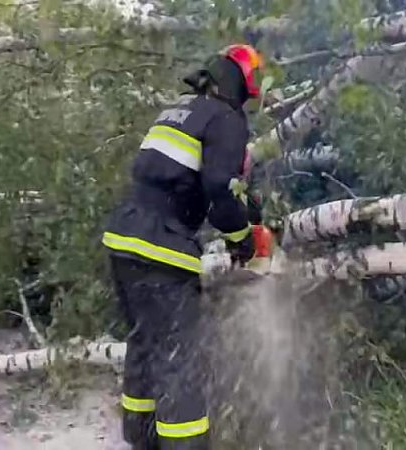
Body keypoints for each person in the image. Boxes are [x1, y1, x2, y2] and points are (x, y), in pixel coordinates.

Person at [101, 44, 264, 450]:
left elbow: (191, 181)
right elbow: (219, 187)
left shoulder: (182, 111)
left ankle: (142, 439)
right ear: (239, 84)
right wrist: (241, 238)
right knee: (179, 360)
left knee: (145, 344)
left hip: (123, 240)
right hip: (161, 249)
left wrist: (249, 210)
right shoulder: (227, 119)